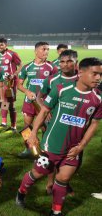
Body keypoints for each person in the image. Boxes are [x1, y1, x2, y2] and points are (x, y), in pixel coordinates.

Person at [15, 57, 102, 216]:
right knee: (37, 174)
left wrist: (81, 146)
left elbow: (94, 124)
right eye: (95, 74)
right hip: (52, 145)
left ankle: (56, 211)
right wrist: (33, 134)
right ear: (81, 72)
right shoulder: (61, 89)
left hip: (73, 148)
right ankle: (21, 193)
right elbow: (44, 111)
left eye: (100, 75)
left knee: (63, 179)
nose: (98, 78)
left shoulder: (98, 98)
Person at [36, 49, 78, 195]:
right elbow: (39, 97)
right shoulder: (52, 79)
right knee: (51, 155)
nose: (65, 65)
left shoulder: (82, 79)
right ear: (58, 63)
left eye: (69, 61)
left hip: (75, 125)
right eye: (62, 62)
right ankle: (49, 183)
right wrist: (44, 110)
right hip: (54, 123)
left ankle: (64, 182)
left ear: (76, 62)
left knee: (72, 156)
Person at [17, 42, 58, 158]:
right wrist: (27, 91)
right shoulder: (27, 67)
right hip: (29, 102)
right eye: (43, 49)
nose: (46, 52)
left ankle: (44, 150)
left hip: (44, 103)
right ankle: (29, 149)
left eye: (48, 49)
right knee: (27, 127)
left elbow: (56, 87)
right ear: (36, 51)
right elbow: (19, 85)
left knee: (45, 126)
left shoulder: (52, 67)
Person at [0, 38, 22, 132]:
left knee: (10, 103)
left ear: (6, 45)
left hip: (11, 82)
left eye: (1, 45)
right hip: (2, 82)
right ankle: (4, 123)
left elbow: (20, 65)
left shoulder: (12, 54)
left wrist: (14, 75)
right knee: (3, 101)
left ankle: (13, 126)